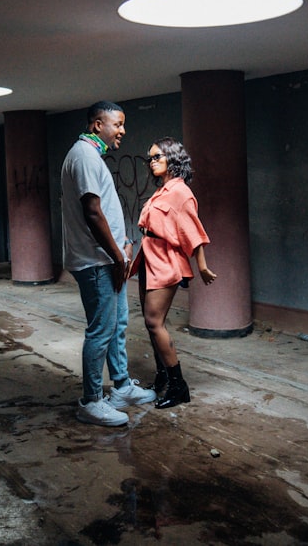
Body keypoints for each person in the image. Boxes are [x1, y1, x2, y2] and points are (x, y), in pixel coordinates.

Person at [61, 101, 156, 427]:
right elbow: (92, 212)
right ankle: (91, 401)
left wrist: (122, 247)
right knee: (100, 332)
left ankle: (121, 387)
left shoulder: (91, 155)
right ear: (97, 124)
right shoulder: (85, 155)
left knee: (116, 327)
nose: (123, 131)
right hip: (97, 262)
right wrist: (117, 256)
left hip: (107, 259)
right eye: (118, 124)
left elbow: (104, 210)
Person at [131, 137, 216, 409]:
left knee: (155, 322)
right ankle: (163, 378)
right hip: (149, 256)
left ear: (173, 158)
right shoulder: (163, 190)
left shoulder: (181, 192)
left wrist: (201, 265)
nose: (152, 161)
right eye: (150, 158)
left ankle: (179, 387)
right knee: (149, 323)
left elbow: (193, 230)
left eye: (158, 156)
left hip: (166, 260)